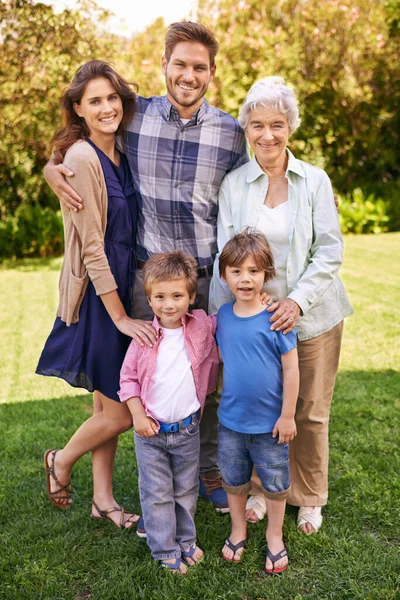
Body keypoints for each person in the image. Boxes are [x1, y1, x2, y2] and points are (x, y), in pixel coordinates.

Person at [43, 22, 249, 514]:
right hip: (141, 283)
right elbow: (85, 139)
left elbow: (260, 175)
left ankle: (205, 469)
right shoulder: (138, 116)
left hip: (203, 279)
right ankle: (143, 481)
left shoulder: (231, 133)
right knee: (137, 384)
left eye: (199, 67)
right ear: (164, 65)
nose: (188, 75)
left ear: (212, 73)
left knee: (208, 380)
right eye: (180, 64)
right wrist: (53, 166)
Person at [209, 76, 353, 535]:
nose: (267, 135)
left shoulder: (314, 180)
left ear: (289, 125)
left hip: (311, 315)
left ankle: (308, 496)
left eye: (276, 123)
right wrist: (232, 313)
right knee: (256, 405)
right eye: (257, 125)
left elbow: (329, 251)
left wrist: (294, 301)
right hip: (252, 320)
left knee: (308, 410)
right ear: (246, 130)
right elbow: (225, 253)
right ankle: (258, 489)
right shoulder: (234, 184)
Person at [37, 60, 157, 528]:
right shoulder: (86, 159)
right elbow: (92, 248)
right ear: (78, 109)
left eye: (112, 98)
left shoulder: (119, 150)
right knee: (123, 414)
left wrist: (51, 166)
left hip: (121, 291)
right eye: (95, 101)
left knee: (105, 404)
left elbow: (55, 161)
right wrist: (121, 317)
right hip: (101, 298)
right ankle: (61, 461)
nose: (107, 108)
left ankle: (102, 500)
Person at [118, 251, 219, 574]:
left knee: (186, 489)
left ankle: (186, 540)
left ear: (191, 296)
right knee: (158, 492)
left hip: (187, 430)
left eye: (177, 296)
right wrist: (137, 415)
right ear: (149, 299)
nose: (169, 304)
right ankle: (164, 548)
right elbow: (128, 380)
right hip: (151, 432)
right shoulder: (144, 338)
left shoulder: (202, 325)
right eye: (160, 297)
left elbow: (229, 318)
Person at [216, 230, 299, 574]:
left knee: (275, 484)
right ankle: (238, 530)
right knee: (234, 481)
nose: (245, 278)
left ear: (266, 274)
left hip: (270, 424)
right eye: (236, 271)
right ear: (224, 276)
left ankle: (275, 536)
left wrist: (288, 415)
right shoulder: (221, 316)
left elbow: (291, 368)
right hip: (231, 421)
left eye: (253, 270)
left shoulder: (276, 318)